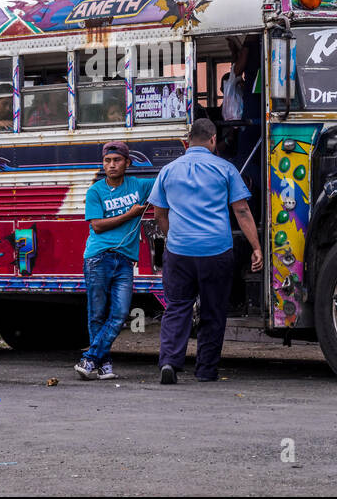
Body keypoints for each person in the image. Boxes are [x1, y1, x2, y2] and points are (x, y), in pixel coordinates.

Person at [149, 117, 261, 384]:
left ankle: (169, 362)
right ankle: (206, 370)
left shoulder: (168, 170)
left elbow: (159, 214)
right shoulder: (225, 169)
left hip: (179, 251)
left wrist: (172, 237)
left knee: (177, 307)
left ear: (187, 142)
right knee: (213, 310)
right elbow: (242, 210)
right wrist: (256, 247)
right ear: (213, 140)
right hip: (216, 251)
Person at [74, 141, 153, 381]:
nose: (111, 165)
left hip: (125, 260)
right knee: (97, 313)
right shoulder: (95, 191)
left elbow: (167, 181)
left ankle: (91, 359)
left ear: (127, 163)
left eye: (117, 160)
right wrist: (130, 214)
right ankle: (104, 363)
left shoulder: (139, 186)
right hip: (98, 258)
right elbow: (97, 226)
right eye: (107, 161)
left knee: (119, 313)